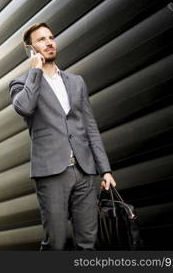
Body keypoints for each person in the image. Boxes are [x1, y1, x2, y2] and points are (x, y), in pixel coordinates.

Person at [8, 22, 117, 250]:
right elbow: (25, 108)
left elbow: (90, 127)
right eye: (41, 40)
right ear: (30, 48)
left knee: (88, 243)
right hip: (51, 174)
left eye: (51, 37)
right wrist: (35, 71)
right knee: (54, 244)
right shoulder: (21, 83)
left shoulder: (76, 82)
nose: (49, 42)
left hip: (84, 170)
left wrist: (104, 169)